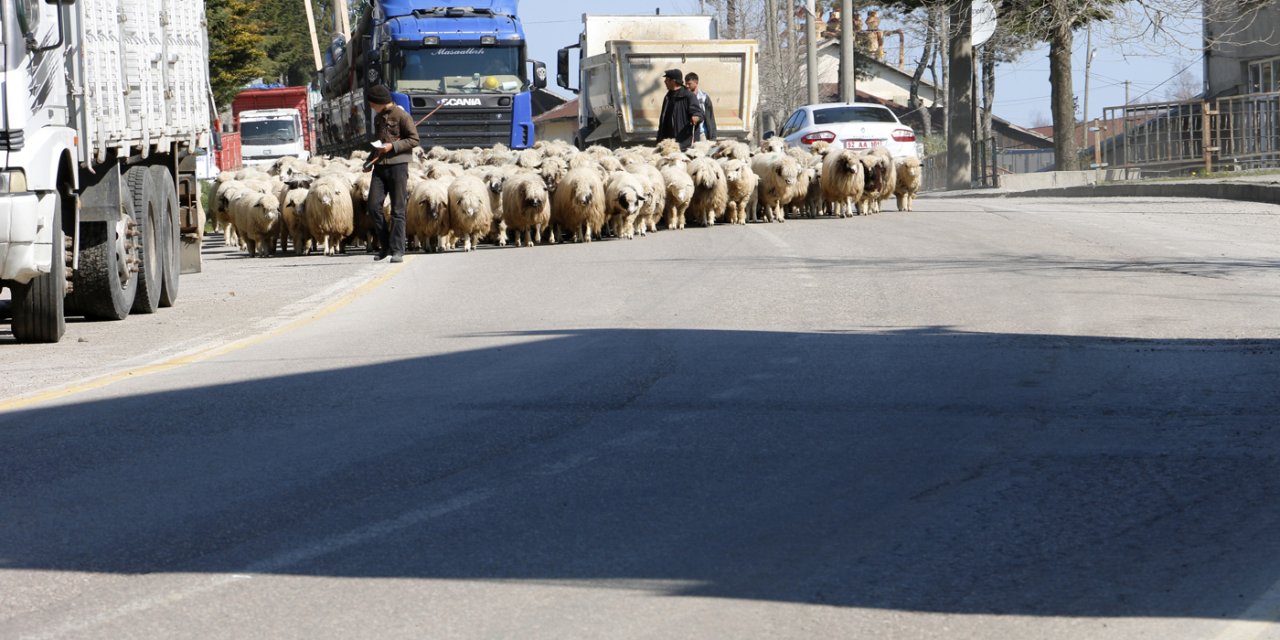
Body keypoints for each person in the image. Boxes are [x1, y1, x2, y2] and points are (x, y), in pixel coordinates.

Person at [364, 84, 419, 263]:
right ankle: (385, 245)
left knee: (397, 210)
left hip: (398, 166)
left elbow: (413, 139)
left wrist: (393, 146)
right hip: (379, 167)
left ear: (380, 102)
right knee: (373, 206)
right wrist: (369, 161)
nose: (371, 106)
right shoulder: (378, 118)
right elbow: (379, 142)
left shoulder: (402, 116)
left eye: (372, 103)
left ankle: (397, 250)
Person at [656, 68, 703, 151]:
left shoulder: (688, 96)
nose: (665, 82)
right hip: (669, 145)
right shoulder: (668, 97)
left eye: (667, 80)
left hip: (684, 145)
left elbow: (699, 113)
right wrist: (659, 139)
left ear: (673, 81)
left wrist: (696, 117)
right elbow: (663, 120)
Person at [684, 72, 717, 142]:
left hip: (701, 134)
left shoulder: (704, 97)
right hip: (686, 135)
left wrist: (713, 137)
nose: (686, 86)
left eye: (689, 84)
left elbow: (710, 117)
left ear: (696, 83)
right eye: (686, 83)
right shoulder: (683, 97)